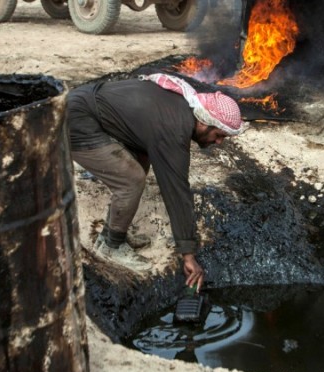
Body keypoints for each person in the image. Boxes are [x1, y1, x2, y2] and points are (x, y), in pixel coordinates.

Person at [66, 73, 244, 291]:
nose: (218, 142)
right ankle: (111, 245)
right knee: (131, 180)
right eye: (219, 135)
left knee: (139, 164)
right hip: (77, 122)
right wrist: (188, 254)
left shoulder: (182, 106)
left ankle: (113, 231)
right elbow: (177, 193)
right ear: (204, 122)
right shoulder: (174, 127)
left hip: (83, 106)